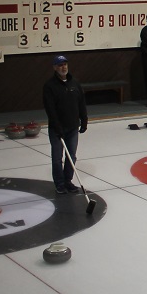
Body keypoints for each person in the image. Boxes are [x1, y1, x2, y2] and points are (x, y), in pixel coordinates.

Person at [42, 55, 88, 195]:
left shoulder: (75, 83)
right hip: (57, 129)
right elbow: (50, 109)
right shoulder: (50, 86)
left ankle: (68, 180)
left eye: (65, 64)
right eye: (60, 65)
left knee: (71, 156)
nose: (64, 67)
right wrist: (57, 127)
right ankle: (60, 183)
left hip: (73, 126)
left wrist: (84, 119)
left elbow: (81, 102)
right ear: (55, 67)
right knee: (57, 158)